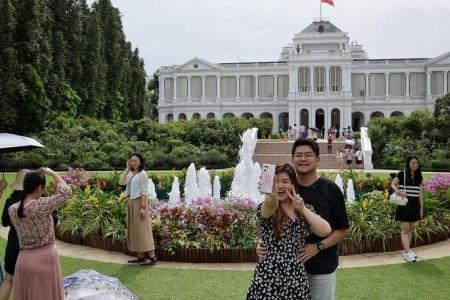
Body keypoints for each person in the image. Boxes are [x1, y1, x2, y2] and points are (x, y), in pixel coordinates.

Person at [257, 139, 349, 300]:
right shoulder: (284, 193)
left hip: (321, 265)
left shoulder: (330, 190)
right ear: (292, 160)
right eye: (298, 155)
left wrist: (318, 246)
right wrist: (262, 243)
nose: (303, 159)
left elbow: (341, 229)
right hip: (281, 274)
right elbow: (268, 213)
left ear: (318, 160)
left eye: (308, 155)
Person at [247, 164, 331, 299]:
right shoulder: (267, 208)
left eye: (285, 181)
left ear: (293, 183)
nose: (280, 186)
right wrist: (271, 195)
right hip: (268, 278)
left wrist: (302, 209)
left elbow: (325, 230)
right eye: (276, 181)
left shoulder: (304, 208)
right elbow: (270, 204)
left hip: (296, 279)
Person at [8, 168, 73, 300]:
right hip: (44, 260)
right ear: (39, 188)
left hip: (23, 261)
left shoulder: (12, 209)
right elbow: (66, 192)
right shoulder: (41, 205)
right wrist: (52, 173)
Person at [119, 153, 157, 266]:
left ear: (140, 161)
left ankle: (152, 256)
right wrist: (127, 169)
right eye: (131, 161)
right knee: (135, 229)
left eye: (135, 161)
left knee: (143, 229)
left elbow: (144, 192)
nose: (133, 163)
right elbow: (121, 182)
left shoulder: (143, 174)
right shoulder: (130, 174)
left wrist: (143, 208)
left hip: (139, 202)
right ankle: (141, 256)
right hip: (130, 203)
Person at [391, 155, 424, 262]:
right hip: (405, 203)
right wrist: (397, 192)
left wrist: (421, 206)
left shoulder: (419, 176)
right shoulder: (402, 174)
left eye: (416, 163)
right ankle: (407, 252)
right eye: (413, 163)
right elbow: (393, 184)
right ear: (408, 164)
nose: (415, 165)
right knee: (405, 229)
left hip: (415, 205)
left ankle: (407, 252)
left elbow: (420, 193)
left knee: (410, 229)